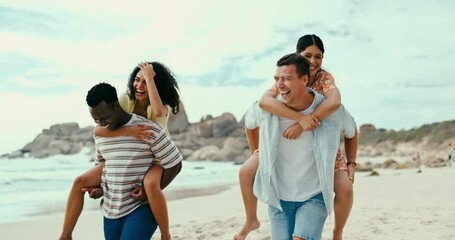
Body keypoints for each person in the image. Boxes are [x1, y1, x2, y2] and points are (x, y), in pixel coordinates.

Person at [234, 34, 357, 240]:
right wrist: (258, 149)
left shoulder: (325, 80)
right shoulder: (283, 80)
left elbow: (335, 103)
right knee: (246, 171)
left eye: (318, 57)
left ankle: (338, 232)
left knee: (345, 188)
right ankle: (250, 219)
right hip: (281, 191)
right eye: (307, 55)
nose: (313, 61)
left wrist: (351, 161)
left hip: (322, 140)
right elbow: (262, 105)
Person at [59, 62, 181, 240]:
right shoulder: (124, 101)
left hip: (157, 159)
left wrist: (149, 77)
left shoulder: (156, 117)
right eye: (137, 80)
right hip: (112, 207)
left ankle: (166, 234)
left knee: (150, 185)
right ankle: (66, 235)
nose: (139, 86)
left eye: (145, 82)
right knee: (80, 181)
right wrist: (99, 186)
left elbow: (158, 113)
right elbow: (100, 135)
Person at [85, 82, 183, 239]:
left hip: (141, 208)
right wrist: (99, 189)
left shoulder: (147, 129)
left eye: (104, 118)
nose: (101, 124)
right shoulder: (101, 135)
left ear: (117, 105)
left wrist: (149, 193)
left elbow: (175, 164)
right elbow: (103, 167)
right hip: (111, 210)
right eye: (96, 120)